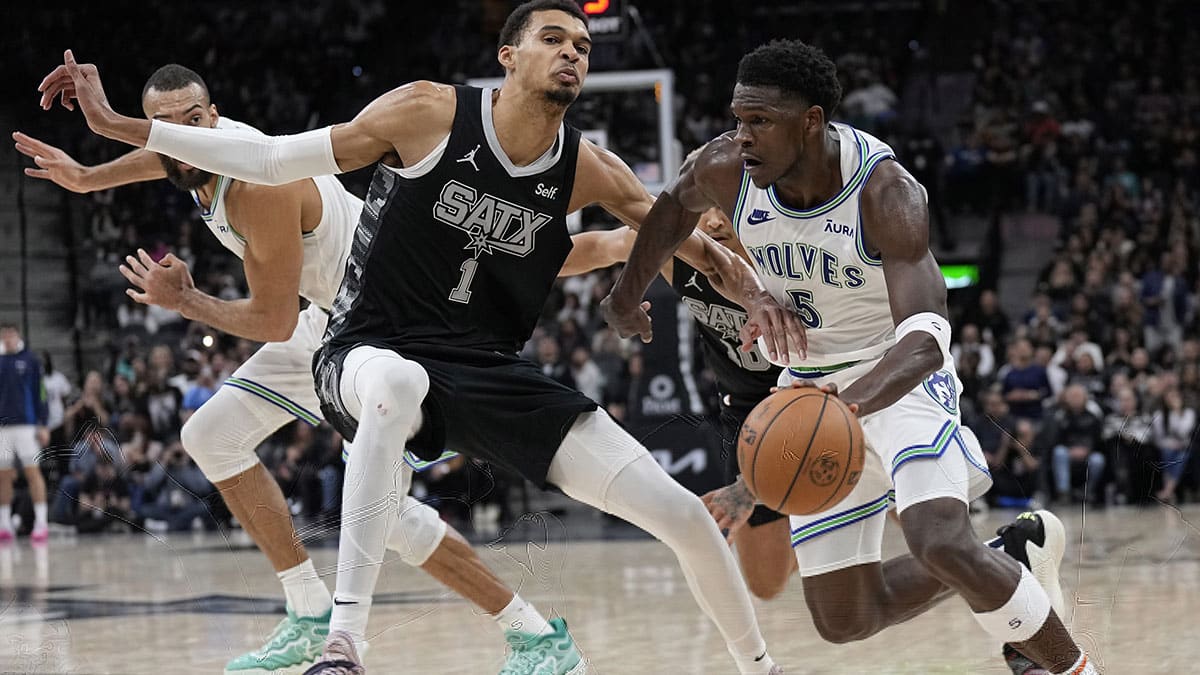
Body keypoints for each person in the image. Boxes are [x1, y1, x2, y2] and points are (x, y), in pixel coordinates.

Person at [38, 3, 801, 671]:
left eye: (583, 43)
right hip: (365, 338)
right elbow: (227, 155)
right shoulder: (422, 113)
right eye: (553, 37)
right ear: (508, 56)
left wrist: (753, 288)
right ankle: (343, 638)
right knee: (359, 420)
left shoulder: (582, 168)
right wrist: (96, 153)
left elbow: (674, 240)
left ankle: (725, 661)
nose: (573, 50)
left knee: (676, 514)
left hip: (428, 347)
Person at [21, 61, 624, 675]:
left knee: (390, 522)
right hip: (326, 320)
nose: (178, 136)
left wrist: (188, 302)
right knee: (209, 435)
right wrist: (87, 177)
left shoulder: (257, 188)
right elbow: (168, 156)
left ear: (213, 117)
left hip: (381, 330)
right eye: (165, 126)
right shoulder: (190, 151)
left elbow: (270, 321)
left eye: (190, 122)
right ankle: (309, 610)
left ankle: (535, 634)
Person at [602, 39, 1098, 675]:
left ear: (811, 121)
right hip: (808, 385)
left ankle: (1073, 666)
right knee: (845, 619)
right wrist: (626, 294)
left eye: (760, 122)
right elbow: (672, 207)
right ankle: (1012, 554)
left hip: (896, 373)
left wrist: (849, 406)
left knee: (937, 538)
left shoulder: (887, 193)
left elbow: (926, 340)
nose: (742, 136)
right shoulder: (726, 167)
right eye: (737, 119)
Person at [561, 207, 795, 599]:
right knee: (765, 584)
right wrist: (514, 258)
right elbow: (602, 245)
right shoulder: (679, 250)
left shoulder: (784, 254)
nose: (715, 221)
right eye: (705, 207)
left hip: (804, 395)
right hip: (745, 412)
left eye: (725, 205)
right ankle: (823, 520)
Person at [0, 323, 50, 543]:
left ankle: (41, 523)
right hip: (3, 428)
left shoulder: (30, 360)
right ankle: (5, 525)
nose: (8, 339)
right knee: (3, 475)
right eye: (4, 336)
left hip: (27, 426)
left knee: (32, 473)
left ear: (17, 336)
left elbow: (41, 392)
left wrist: (44, 423)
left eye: (11, 334)